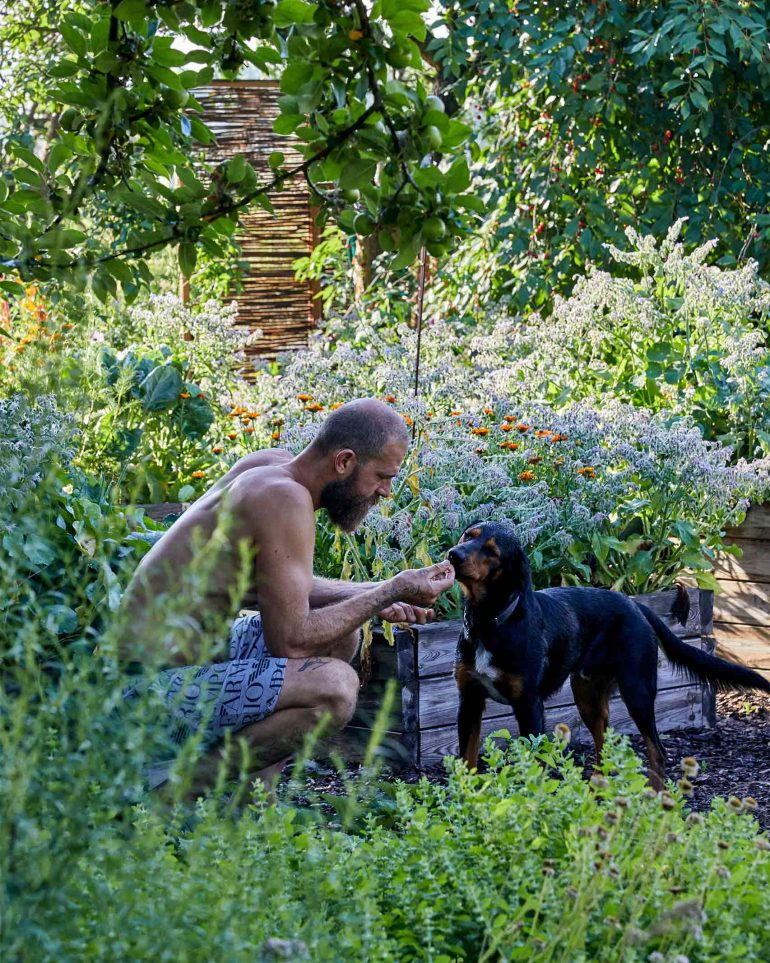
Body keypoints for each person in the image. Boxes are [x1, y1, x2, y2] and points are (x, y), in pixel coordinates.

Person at [119, 398, 455, 793]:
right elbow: (292, 640)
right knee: (335, 688)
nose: (386, 492)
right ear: (344, 461)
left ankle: (255, 803)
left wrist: (375, 593)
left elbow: (283, 587)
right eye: (382, 476)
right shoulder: (284, 499)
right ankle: (170, 793)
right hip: (144, 700)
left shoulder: (270, 467)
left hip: (188, 666)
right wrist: (389, 590)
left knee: (340, 631)